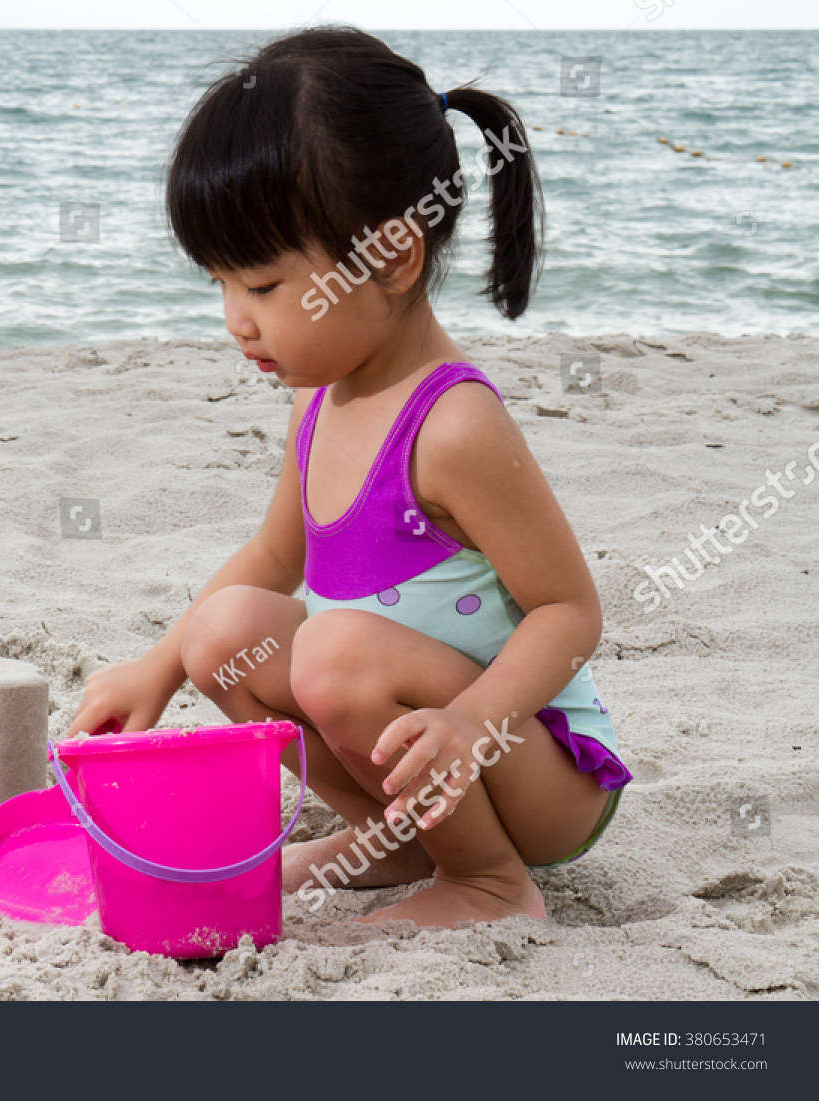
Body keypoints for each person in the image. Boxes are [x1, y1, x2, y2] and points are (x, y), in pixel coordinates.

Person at [68, 26, 631, 928]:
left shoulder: (452, 427)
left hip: (533, 766)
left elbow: (572, 613)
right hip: (426, 751)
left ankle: (490, 881)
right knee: (227, 631)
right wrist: (158, 666)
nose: (233, 322)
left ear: (393, 257)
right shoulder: (318, 402)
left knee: (333, 653)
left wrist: (469, 721)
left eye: (261, 285)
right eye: (217, 284)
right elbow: (269, 556)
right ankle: (402, 837)